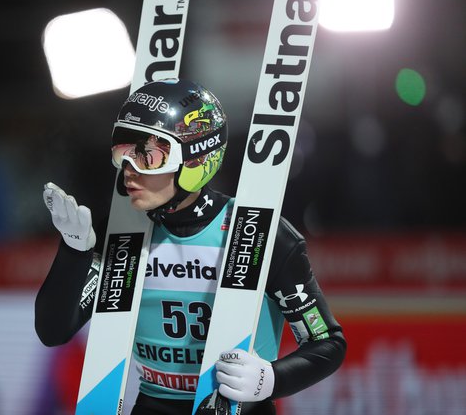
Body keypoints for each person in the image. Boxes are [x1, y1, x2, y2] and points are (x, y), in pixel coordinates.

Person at [35, 78, 346, 414]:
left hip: (237, 408)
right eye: (123, 152)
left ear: (196, 159)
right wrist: (74, 251)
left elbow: (327, 342)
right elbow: (53, 331)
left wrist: (270, 379)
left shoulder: (257, 234)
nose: (129, 170)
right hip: (153, 405)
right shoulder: (122, 234)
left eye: (148, 156)